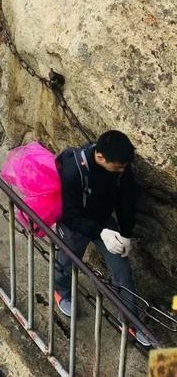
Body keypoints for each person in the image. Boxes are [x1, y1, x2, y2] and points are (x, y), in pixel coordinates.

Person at [54, 130, 151, 346]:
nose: (122, 171)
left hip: (104, 220)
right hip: (76, 223)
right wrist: (100, 233)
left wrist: (126, 234)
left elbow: (126, 200)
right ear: (100, 157)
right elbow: (68, 214)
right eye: (118, 167)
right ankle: (61, 291)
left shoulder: (121, 167)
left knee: (122, 271)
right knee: (68, 259)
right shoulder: (73, 172)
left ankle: (129, 321)